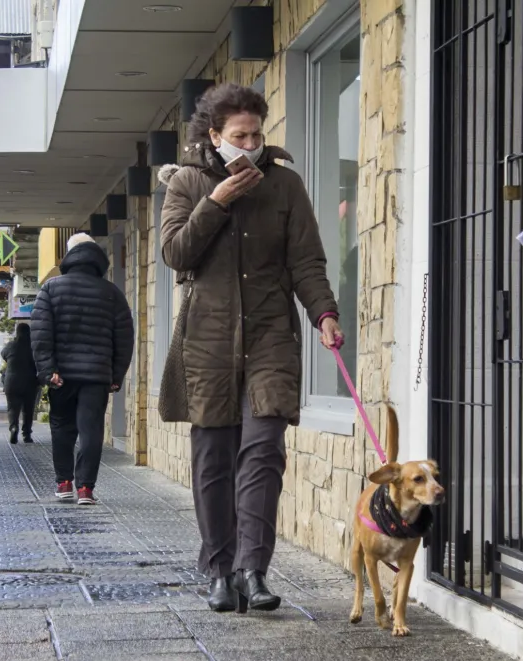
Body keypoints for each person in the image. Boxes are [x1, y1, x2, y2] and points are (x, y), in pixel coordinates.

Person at [157, 82, 344, 614]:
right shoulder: (188, 183)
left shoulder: (284, 186)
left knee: (262, 451)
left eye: (257, 133)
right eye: (239, 135)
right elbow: (175, 252)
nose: (251, 143)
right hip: (209, 340)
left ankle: (252, 569)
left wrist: (324, 314)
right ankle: (219, 569)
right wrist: (216, 203)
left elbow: (307, 260)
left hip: (269, 336)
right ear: (215, 136)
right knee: (214, 458)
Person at [30, 233, 135, 506]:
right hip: (97, 376)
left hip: (61, 376)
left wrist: (47, 369)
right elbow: (124, 338)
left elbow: (41, 334)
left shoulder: (51, 289)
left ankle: (64, 482)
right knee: (91, 430)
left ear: (68, 257)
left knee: (62, 428)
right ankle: (86, 489)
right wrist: (116, 374)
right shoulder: (112, 293)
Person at [1, 323, 39, 444]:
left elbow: (3, 354)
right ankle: (27, 434)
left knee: (13, 408)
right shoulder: (33, 346)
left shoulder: (11, 345)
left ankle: (13, 427)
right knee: (28, 409)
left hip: (12, 382)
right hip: (30, 382)